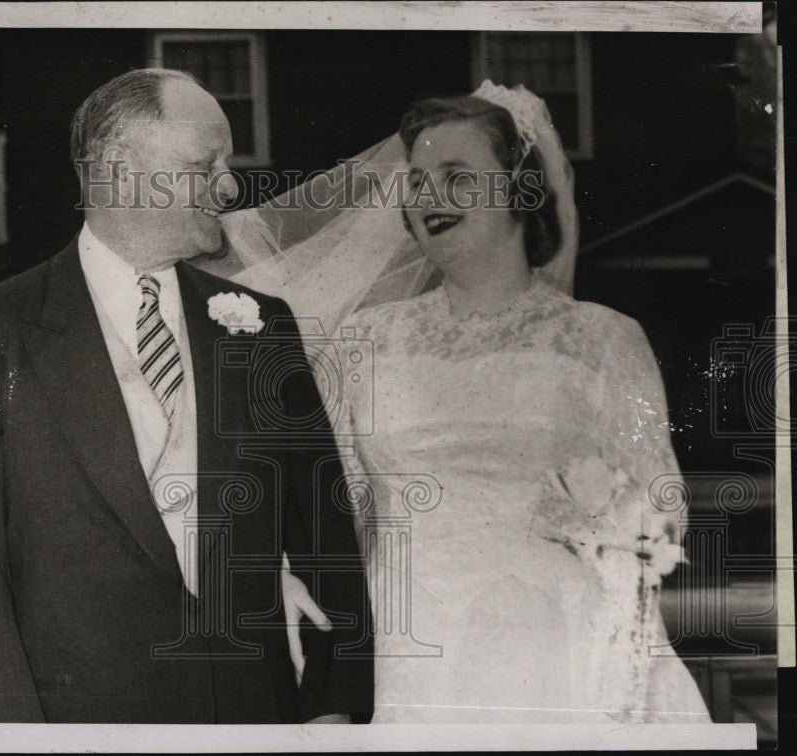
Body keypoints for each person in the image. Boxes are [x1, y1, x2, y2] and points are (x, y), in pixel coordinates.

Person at [218, 82, 711, 723]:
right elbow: (325, 512)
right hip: (406, 647)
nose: (429, 199)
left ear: (518, 189)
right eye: (418, 181)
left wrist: (610, 518)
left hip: (556, 642)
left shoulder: (601, 337)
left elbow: (661, 500)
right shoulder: (366, 339)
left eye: (457, 176)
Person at [0, 68, 372, 724]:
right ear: (119, 170)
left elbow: (326, 536)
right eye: (204, 163)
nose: (232, 185)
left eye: (229, 161)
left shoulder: (264, 328)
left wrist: (334, 706)